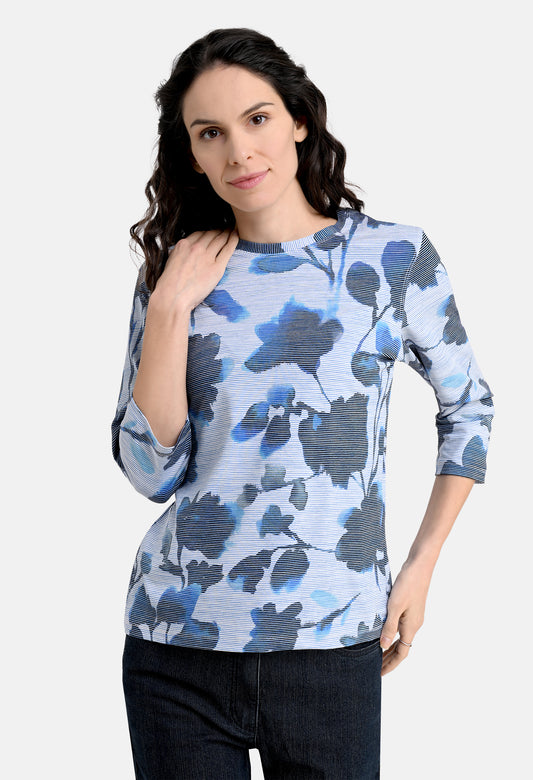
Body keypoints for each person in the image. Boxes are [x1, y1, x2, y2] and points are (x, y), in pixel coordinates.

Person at [111, 26, 494, 780]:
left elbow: (470, 410)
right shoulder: (175, 273)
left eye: (256, 119)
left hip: (331, 644)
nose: (238, 152)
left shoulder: (390, 257)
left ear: (297, 120)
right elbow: (151, 473)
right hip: (174, 645)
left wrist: (420, 566)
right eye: (210, 133)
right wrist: (170, 310)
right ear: (192, 153)